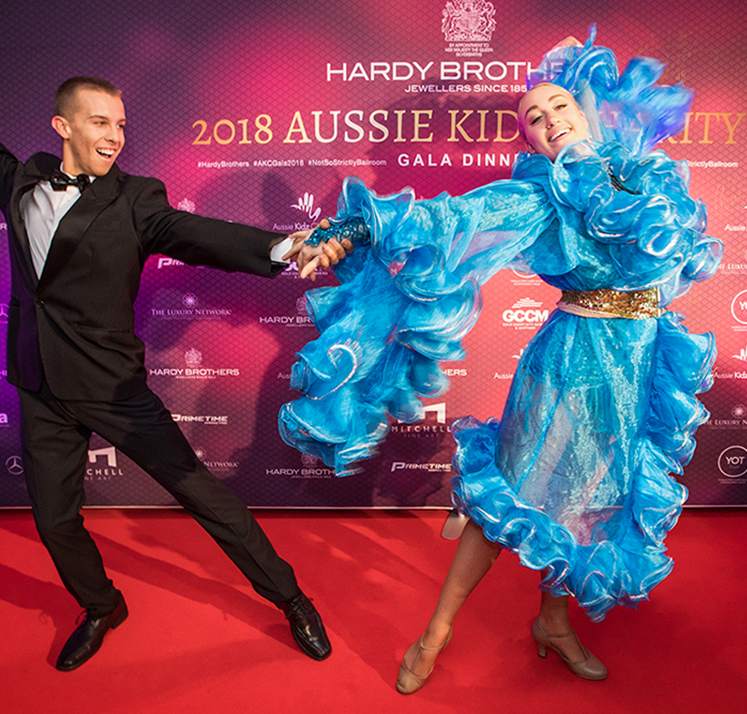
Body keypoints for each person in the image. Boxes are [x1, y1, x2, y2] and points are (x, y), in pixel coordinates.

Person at [0, 53, 348, 671]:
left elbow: (197, 231)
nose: (115, 136)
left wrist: (285, 246)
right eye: (99, 123)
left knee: (204, 497)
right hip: (39, 383)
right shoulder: (18, 182)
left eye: (120, 125)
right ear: (62, 127)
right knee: (55, 520)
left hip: (113, 386)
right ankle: (100, 606)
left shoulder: (136, 200)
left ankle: (291, 598)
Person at [280, 27, 722, 691]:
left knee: (590, 503)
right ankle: (436, 632)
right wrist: (349, 227)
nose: (549, 122)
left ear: (588, 112)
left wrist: (597, 169)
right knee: (506, 502)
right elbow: (446, 219)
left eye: (560, 109)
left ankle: (553, 621)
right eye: (534, 119)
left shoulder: (647, 179)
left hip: (639, 364)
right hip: (571, 363)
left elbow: (673, 250)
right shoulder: (537, 198)